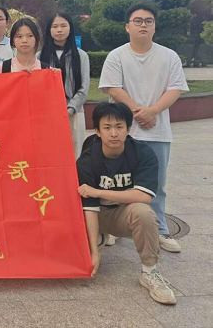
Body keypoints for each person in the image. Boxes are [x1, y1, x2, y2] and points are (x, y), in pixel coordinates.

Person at [99, 3, 188, 254]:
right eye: (137, 21)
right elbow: (113, 88)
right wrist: (139, 112)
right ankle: (114, 227)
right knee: (117, 181)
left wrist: (153, 111)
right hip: (122, 132)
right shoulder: (117, 56)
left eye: (148, 21)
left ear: (155, 26)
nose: (143, 25)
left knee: (156, 184)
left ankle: (160, 229)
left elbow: (175, 89)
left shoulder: (169, 56)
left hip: (158, 132)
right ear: (127, 26)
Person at [77, 102, 176, 305]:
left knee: (144, 213)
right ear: (97, 131)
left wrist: (98, 191)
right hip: (95, 215)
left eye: (119, 127)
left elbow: (144, 197)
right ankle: (98, 239)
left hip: (123, 214)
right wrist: (93, 254)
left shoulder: (143, 153)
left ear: (128, 129)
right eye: (107, 127)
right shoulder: (87, 160)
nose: (114, 133)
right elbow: (90, 207)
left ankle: (149, 272)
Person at [39, 12, 90, 158]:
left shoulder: (81, 56)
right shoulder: (40, 56)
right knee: (50, 153)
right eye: (55, 26)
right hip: (48, 115)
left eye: (63, 26)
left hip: (75, 113)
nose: (59, 30)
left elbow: (84, 87)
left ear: (70, 28)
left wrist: (70, 109)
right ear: (49, 30)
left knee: (75, 154)